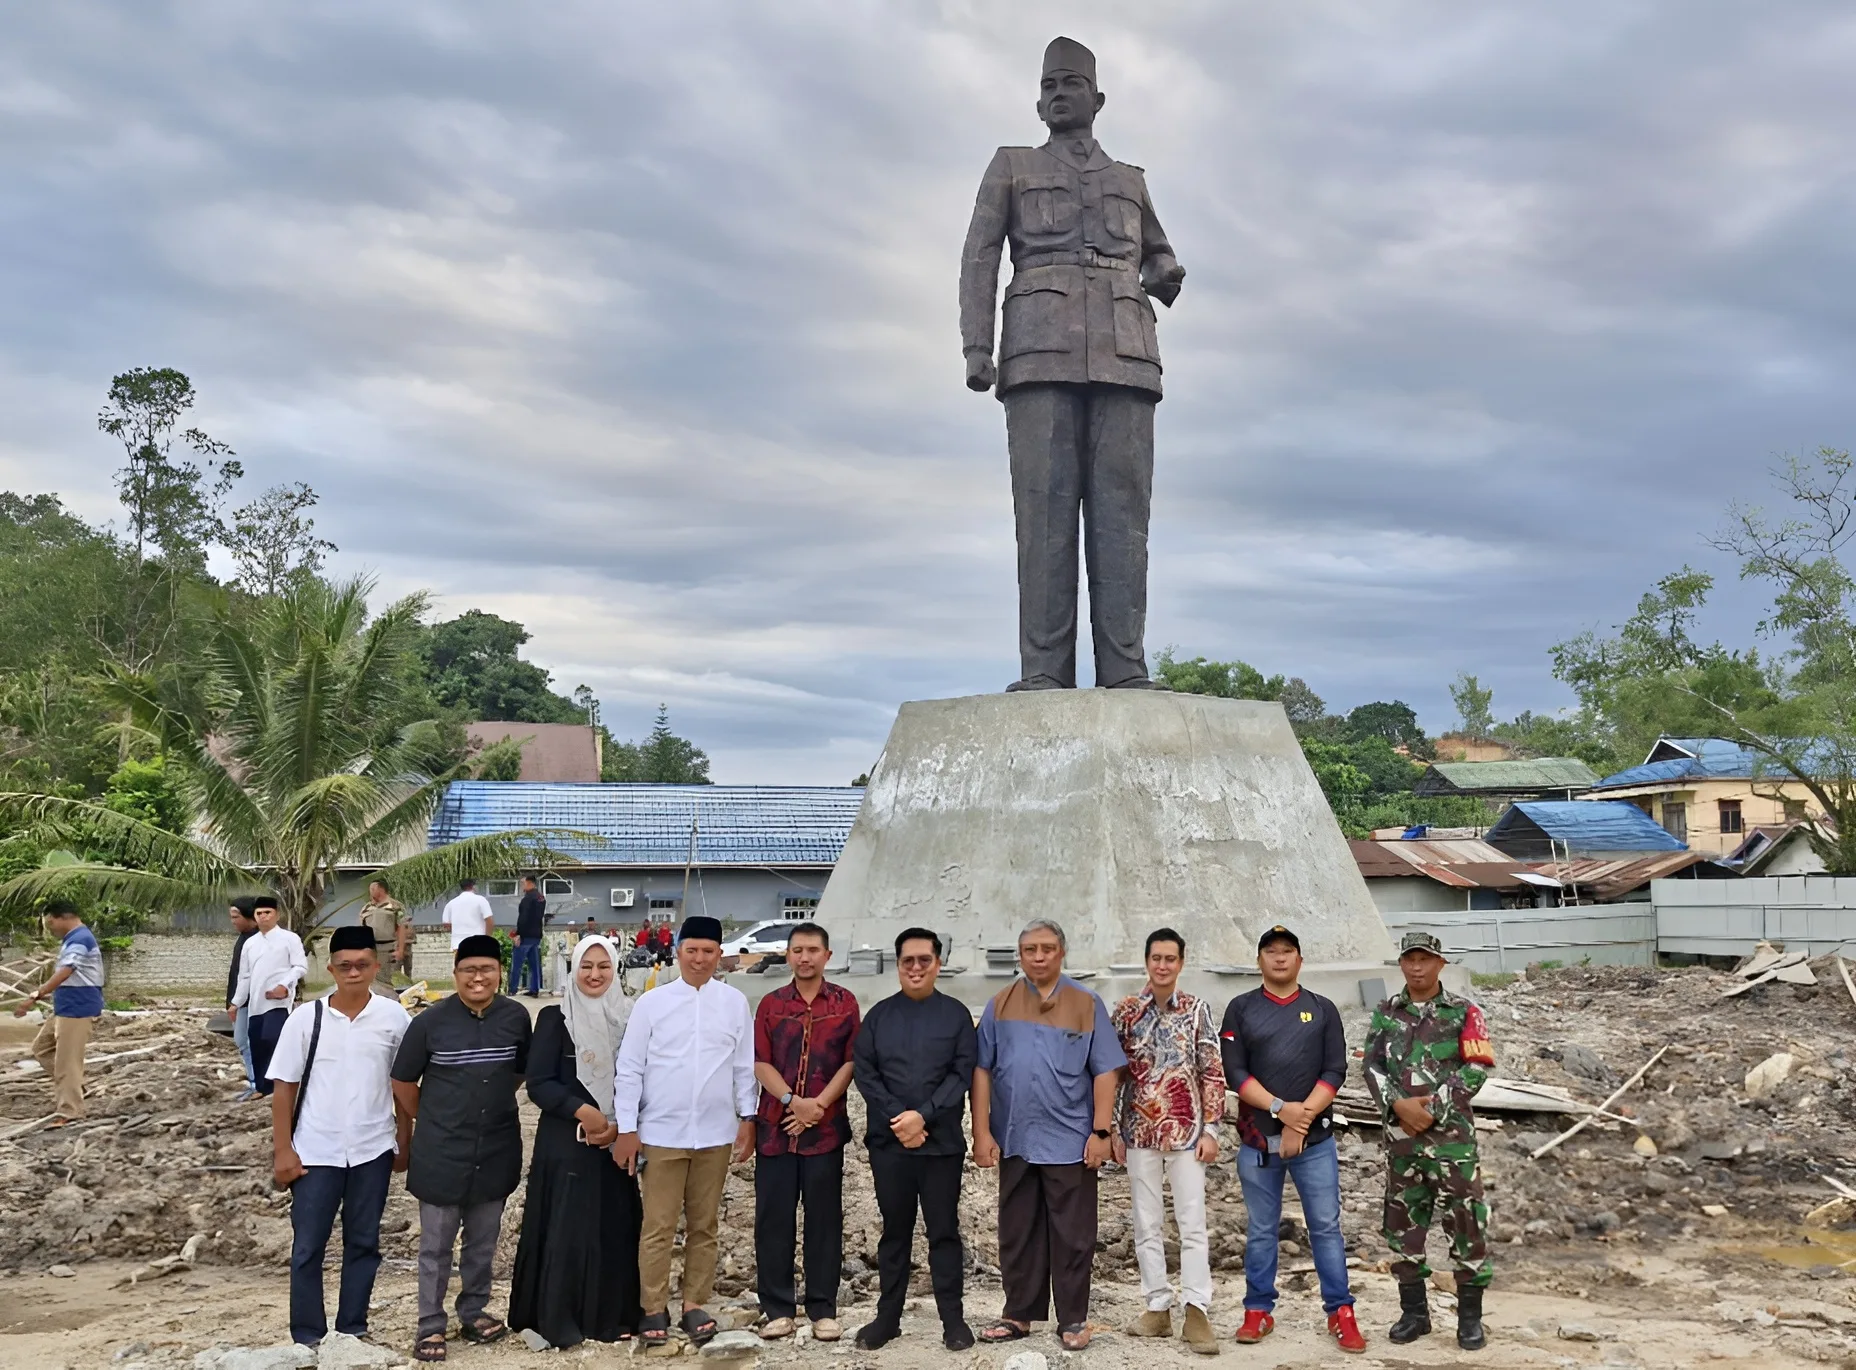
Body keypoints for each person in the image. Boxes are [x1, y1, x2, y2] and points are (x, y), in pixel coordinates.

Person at [959, 36, 1185, 691]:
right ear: (1037, 102)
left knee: (1123, 518)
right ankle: (1044, 674)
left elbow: (1157, 252)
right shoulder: (1012, 165)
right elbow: (979, 256)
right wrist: (978, 346)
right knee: (1044, 516)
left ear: (1098, 98)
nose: (1060, 94)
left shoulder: (1130, 181)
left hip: (1127, 353)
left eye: (1072, 84)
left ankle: (1125, 671)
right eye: (1050, 86)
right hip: (1036, 349)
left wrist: (1164, 271)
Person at [972, 918, 1126, 1352]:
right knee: (1018, 1228)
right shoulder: (999, 1004)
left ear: (1062, 953)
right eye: (1030, 950)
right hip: (1015, 1136)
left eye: (1047, 948)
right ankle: (1018, 1314)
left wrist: (1101, 1131)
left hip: (1070, 1139)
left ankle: (1073, 1318)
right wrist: (981, 1130)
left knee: (1073, 1233)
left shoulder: (1085, 1002)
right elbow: (981, 1069)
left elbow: (1105, 1071)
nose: (1038, 957)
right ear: (1019, 956)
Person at [611, 915, 756, 1349]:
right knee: (658, 1226)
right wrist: (628, 1128)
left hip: (715, 1134)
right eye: (691, 950)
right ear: (678, 953)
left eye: (708, 951)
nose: (699, 959)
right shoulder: (653, 1004)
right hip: (662, 1134)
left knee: (704, 1225)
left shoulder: (733, 1004)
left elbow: (743, 1067)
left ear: (719, 955)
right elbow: (630, 1068)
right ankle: (653, 1307)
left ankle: (695, 1303)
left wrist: (747, 1118)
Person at [1219, 925, 1363, 1353]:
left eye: (1288, 951)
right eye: (1271, 951)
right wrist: (1282, 1111)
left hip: (1314, 1143)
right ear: (1259, 960)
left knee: (1325, 1227)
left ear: (1300, 960)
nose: (1280, 958)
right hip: (1257, 1142)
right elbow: (1236, 1074)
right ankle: (1257, 1311)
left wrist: (1300, 1124)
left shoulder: (1322, 1009)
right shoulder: (1240, 1009)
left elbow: (1334, 1070)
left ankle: (1341, 1313)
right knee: (1262, 1229)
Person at [268, 926, 413, 1347]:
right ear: (329, 968)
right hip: (315, 1151)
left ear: (376, 965)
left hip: (373, 1148)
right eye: (344, 965)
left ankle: (353, 1329)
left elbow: (403, 1084)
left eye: (362, 964)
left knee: (364, 1242)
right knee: (308, 1248)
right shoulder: (305, 1019)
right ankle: (308, 1336)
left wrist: (405, 1138)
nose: (354, 972)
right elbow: (284, 1088)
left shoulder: (394, 1017)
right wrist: (283, 1150)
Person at [391, 934, 532, 1363]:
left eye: (487, 969)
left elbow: (520, 1073)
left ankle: (473, 1311)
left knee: (483, 1241)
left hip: (496, 1146)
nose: (478, 977)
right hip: (441, 1151)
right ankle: (430, 1324)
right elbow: (401, 1082)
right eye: (469, 970)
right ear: (455, 975)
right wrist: (435, 1119)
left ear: (499, 973)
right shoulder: (429, 1023)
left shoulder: (515, 1018)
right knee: (435, 1245)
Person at [1362, 931, 1496, 1352]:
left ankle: (1469, 1319)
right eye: (1409, 960)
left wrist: (1432, 1108)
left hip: (1452, 1139)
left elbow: (1476, 1067)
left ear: (1441, 963)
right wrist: (1399, 1106)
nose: (1416, 967)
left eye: (1425, 959)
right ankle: (1414, 1313)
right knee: (1404, 1222)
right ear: (1401, 964)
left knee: (1466, 1220)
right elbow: (1372, 1065)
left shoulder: (1463, 1012)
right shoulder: (1387, 1012)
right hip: (1403, 1139)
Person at [510, 935, 643, 1348]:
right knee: (568, 1226)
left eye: (604, 966)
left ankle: (614, 1316)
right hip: (567, 1139)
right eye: (587, 966)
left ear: (615, 969)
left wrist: (620, 1124)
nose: (595, 974)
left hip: (615, 1141)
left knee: (616, 1224)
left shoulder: (631, 1017)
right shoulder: (555, 1017)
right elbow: (539, 1083)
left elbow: (642, 1075)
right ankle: (559, 1316)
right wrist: (584, 1111)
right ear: (574, 969)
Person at [851, 928, 977, 1353]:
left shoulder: (956, 1015)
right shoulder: (879, 1017)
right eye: (909, 960)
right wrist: (898, 1119)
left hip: (940, 1145)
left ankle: (953, 1321)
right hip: (890, 1146)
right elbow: (866, 1074)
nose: (917, 967)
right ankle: (888, 1319)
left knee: (944, 1232)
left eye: (925, 960)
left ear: (938, 963)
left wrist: (922, 1116)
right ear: (898, 964)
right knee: (895, 1233)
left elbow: (961, 1074)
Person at [1110, 927, 1226, 1355]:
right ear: (1147, 961)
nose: (1162, 965)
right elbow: (1113, 1073)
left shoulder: (1196, 1010)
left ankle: (1197, 1310)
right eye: (1156, 958)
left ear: (1181, 963)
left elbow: (1212, 1071)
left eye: (1170, 959)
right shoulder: (1125, 1012)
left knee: (1192, 1222)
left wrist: (1212, 1129)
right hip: (1138, 1134)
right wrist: (1111, 1128)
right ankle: (1157, 1306)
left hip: (1187, 1132)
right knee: (1146, 1222)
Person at [752, 922, 860, 1343]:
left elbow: (850, 1063)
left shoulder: (845, 1003)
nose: (804, 957)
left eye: (813, 950)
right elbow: (760, 1062)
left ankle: (822, 1308)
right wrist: (790, 1102)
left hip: (825, 1132)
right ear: (788, 954)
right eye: (797, 950)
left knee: (824, 1221)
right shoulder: (771, 1004)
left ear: (827, 956)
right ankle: (777, 1308)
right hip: (776, 1131)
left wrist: (817, 1107)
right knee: (773, 1221)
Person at [11, 901, 106, 1124]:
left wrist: (36, 995)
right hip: (65, 1008)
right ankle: (76, 1088)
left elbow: (66, 971)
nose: (50, 928)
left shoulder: (80, 939)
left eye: (50, 922)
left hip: (77, 1009)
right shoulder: (72, 939)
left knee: (67, 1063)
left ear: (63, 917)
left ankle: (70, 1111)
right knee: (41, 1048)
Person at [234, 896, 307, 1098]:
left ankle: (283, 1083)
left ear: (277, 915)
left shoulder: (290, 939)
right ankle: (262, 1087)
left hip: (279, 1001)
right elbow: (244, 976)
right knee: (256, 1042)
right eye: (259, 913)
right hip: (256, 1003)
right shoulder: (250, 944)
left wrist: (284, 985)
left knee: (273, 1038)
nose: (263, 916)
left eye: (268, 912)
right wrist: (236, 1002)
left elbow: (300, 967)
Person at [227, 897, 260, 1100]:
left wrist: (238, 1002)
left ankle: (257, 1083)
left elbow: (250, 977)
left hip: (250, 1002)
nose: (232, 921)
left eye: (236, 916)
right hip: (240, 1001)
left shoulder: (256, 941)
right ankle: (254, 1082)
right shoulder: (244, 938)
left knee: (247, 1042)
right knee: (243, 1041)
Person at [360, 878, 409, 989]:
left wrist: (400, 950)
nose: (370, 891)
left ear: (381, 889)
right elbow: (361, 928)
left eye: (373, 888)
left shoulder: (395, 906)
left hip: (388, 948)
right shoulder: (366, 908)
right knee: (370, 979)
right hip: (370, 948)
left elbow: (402, 928)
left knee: (387, 981)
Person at [512, 877, 547, 998]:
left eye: (523, 883)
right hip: (536, 934)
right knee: (534, 964)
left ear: (529, 883)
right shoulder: (541, 897)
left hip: (526, 935)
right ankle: (534, 989)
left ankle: (512, 989)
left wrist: (518, 934)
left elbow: (523, 918)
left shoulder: (527, 899)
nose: (522, 886)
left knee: (517, 963)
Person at [441, 879, 494, 951]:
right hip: (478, 943)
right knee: (478, 962)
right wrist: (487, 938)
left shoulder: (451, 903)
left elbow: (446, 924)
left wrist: (458, 930)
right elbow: (489, 920)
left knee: (462, 962)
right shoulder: (481, 900)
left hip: (458, 944)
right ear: (473, 886)